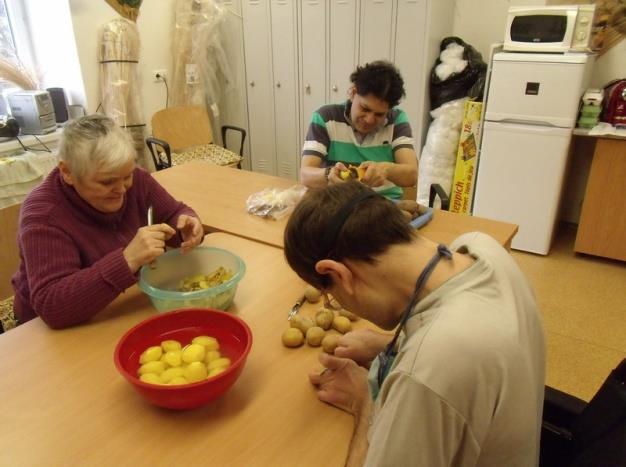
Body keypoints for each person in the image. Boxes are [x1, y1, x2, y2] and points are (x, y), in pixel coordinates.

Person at [283, 181, 546, 466]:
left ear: (338, 274)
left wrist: (364, 402)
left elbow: (436, 369)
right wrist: (390, 346)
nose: (336, 304)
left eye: (331, 296)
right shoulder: (481, 248)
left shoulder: (428, 371)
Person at [11, 115, 204, 329]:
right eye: (107, 182)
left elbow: (173, 212)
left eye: (127, 176)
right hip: (45, 331)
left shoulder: (132, 178)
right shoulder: (43, 215)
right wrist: (128, 260)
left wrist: (186, 225)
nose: (122, 189)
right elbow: (52, 305)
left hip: (120, 303)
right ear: (67, 172)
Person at [300, 60, 418, 200]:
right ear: (353, 92)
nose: (369, 120)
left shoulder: (397, 119)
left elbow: (411, 175)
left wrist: (386, 169)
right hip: (338, 203)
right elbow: (305, 174)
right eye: (365, 108)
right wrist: (328, 175)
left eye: (379, 114)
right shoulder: (325, 118)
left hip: (385, 206)